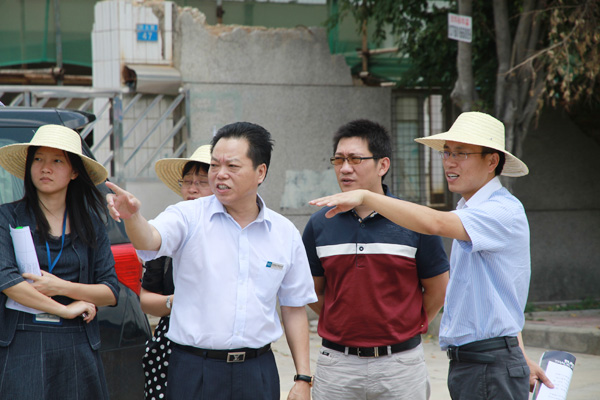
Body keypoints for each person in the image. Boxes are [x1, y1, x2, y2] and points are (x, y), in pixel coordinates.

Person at [309, 112, 554, 400]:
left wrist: (366, 197)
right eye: (447, 152)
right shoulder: (468, 208)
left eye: (461, 153)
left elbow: (435, 228)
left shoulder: (501, 210)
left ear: (492, 161)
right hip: (475, 361)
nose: (449, 162)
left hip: (486, 363)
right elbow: (502, 300)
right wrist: (518, 354)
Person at [106, 122, 317, 400]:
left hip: (258, 370)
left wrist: (302, 377)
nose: (220, 175)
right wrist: (133, 218)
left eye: (232, 166)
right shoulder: (187, 215)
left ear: (260, 172)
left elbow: (293, 307)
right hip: (195, 369)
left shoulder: (284, 233)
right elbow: (150, 239)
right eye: (214, 165)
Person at [302, 119, 450, 400]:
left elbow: (437, 289)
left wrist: (408, 322)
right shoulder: (320, 223)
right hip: (337, 365)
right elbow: (313, 290)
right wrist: (343, 317)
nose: (345, 168)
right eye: (339, 159)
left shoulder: (414, 220)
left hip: (400, 365)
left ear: (383, 165)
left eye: (356, 159)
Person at [0, 124, 119, 399]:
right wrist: (64, 310)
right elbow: (8, 281)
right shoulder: (8, 217)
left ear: (75, 171)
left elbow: (110, 291)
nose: (45, 168)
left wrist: (61, 287)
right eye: (38, 159)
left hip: (77, 342)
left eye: (57, 161)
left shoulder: (91, 224)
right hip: (22, 339)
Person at [140, 144, 213, 400]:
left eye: (202, 182)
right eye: (188, 181)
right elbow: (146, 300)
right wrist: (178, 302)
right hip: (172, 347)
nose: (192, 188)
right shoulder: (169, 232)